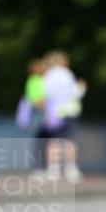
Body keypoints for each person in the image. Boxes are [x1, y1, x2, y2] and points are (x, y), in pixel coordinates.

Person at [39, 50, 87, 182]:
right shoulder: (67, 74)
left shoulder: (48, 75)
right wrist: (82, 88)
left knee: (53, 141)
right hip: (69, 110)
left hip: (53, 112)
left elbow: (44, 94)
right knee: (69, 140)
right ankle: (71, 169)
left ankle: (53, 169)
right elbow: (74, 93)